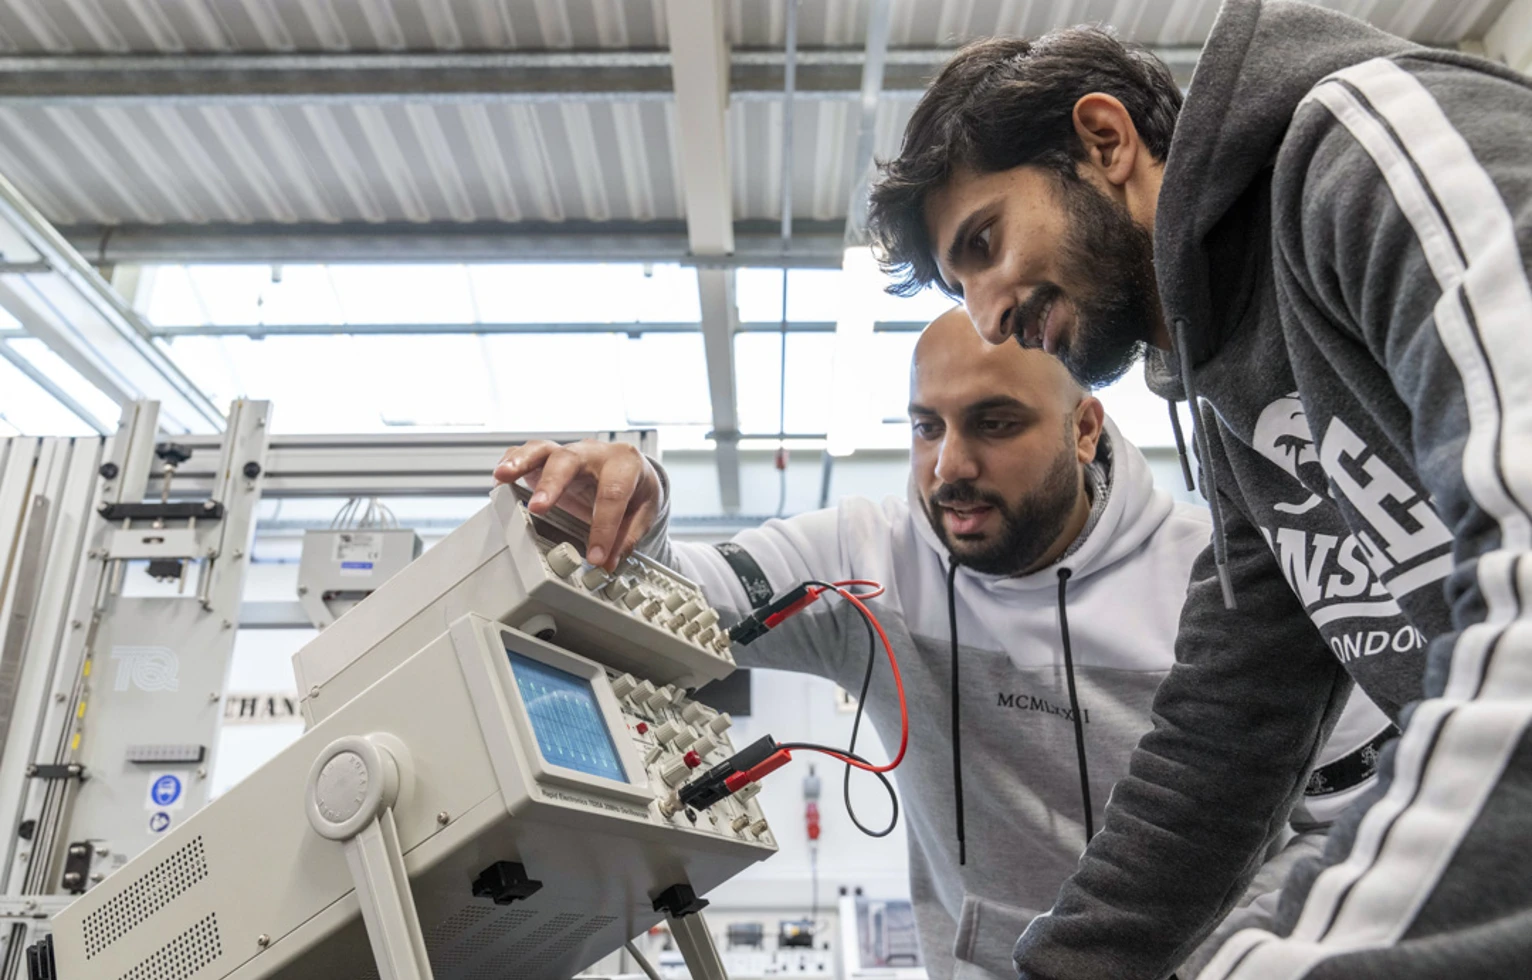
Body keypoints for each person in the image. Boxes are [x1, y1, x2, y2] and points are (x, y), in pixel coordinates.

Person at [866, 2, 1532, 978]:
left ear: (1103, 140)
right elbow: (1225, 738)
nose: (988, 314)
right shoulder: (1238, 408)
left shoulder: (1366, 151)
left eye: (983, 241)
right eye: (956, 286)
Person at [493, 308, 1390, 979]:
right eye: (927, 426)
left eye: (995, 423)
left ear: (1085, 428)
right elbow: (687, 598)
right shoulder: (863, 559)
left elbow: (1345, 821)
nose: (949, 464)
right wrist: (633, 513)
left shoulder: (1225, 581)